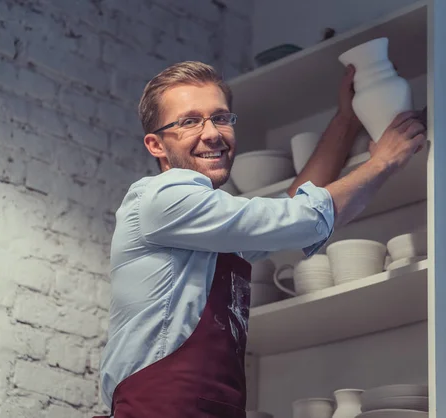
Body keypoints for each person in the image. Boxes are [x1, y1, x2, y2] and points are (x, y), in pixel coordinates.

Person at [95, 61, 426, 418]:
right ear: (156, 145)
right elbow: (302, 217)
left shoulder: (209, 224)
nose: (212, 133)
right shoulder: (162, 197)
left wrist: (347, 120)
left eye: (221, 117)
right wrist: (383, 162)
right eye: (190, 121)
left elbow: (291, 208)